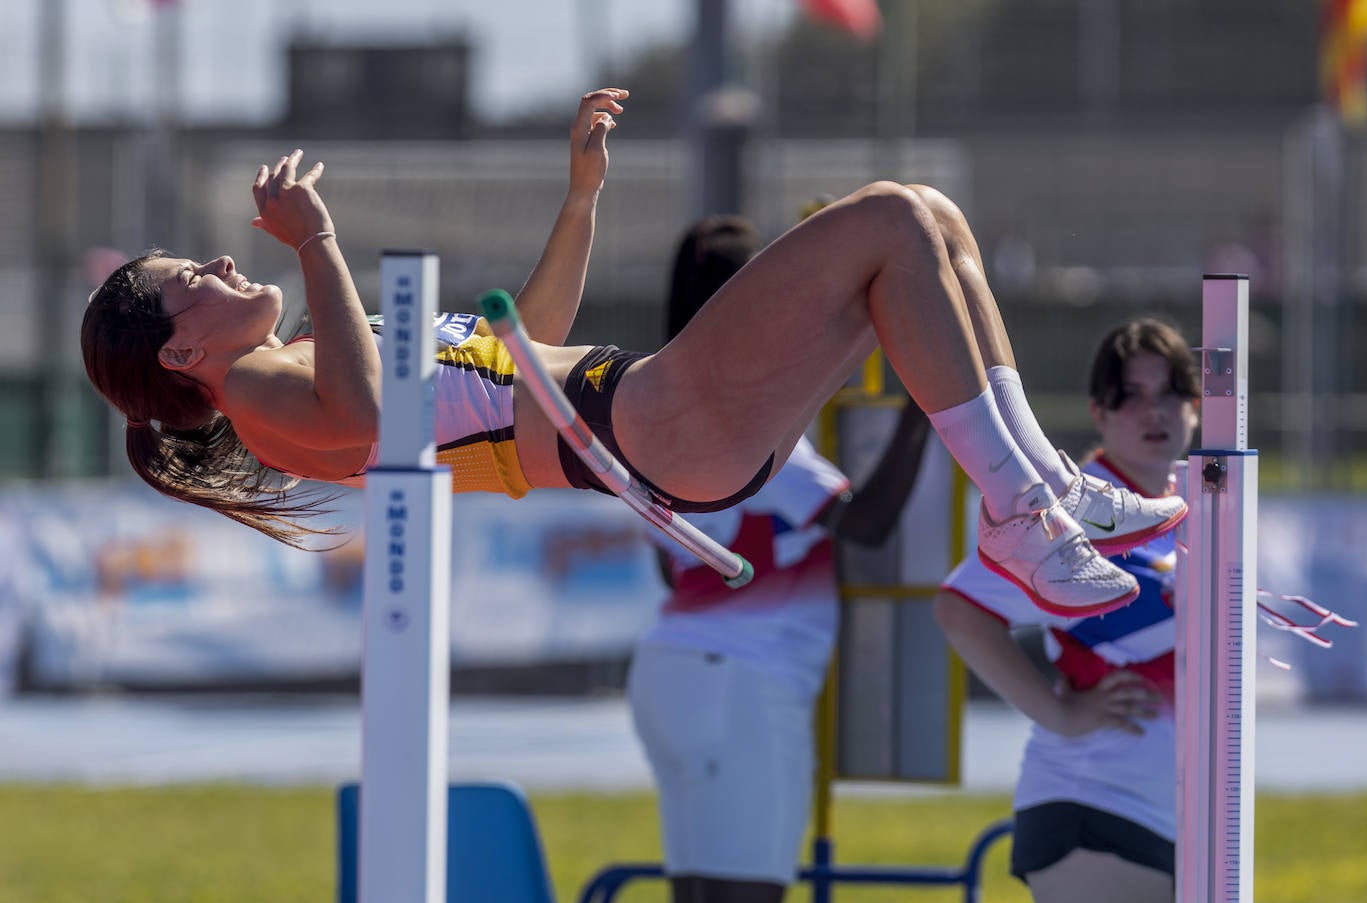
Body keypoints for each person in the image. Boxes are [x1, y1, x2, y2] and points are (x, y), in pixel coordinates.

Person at [80, 87, 1186, 618]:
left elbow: (538, 344)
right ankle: (1021, 517)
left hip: (645, 416)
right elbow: (378, 424)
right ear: (183, 351)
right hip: (650, 421)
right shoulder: (275, 395)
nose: (225, 266)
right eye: (195, 279)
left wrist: (580, 198)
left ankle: (1043, 493)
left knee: (926, 227)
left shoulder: (313, 356)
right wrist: (317, 242)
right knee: (893, 216)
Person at [628, 215, 932, 903]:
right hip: (742, 685)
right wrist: (924, 404)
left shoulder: (647, 408)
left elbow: (673, 574)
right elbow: (868, 525)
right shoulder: (750, 425)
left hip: (671, 673)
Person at [932, 318, 1201, 903]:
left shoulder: (1197, 508)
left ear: (1195, 407)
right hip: (1095, 806)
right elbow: (959, 609)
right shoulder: (1080, 510)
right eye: (1130, 395)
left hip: (1181, 818)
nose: (1153, 412)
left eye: (1170, 393)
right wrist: (1058, 711)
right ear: (1099, 413)